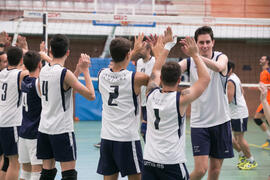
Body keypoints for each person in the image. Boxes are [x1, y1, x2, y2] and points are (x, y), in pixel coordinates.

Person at [142, 27, 210, 180]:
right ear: (179, 80)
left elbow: (156, 70)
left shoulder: (150, 93)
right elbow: (205, 79)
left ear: (161, 79)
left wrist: (167, 47)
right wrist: (195, 55)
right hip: (171, 162)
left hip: (149, 161)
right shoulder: (181, 99)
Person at [37, 34, 95, 180]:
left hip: (44, 129)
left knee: (47, 173)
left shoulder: (43, 71)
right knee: (69, 175)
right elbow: (91, 95)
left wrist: (77, 70)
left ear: (50, 51)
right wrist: (86, 70)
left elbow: (64, 85)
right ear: (68, 52)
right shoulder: (64, 73)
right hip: (61, 130)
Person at [179, 26, 233, 180]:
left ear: (213, 42)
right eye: (201, 42)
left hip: (221, 121)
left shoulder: (221, 57)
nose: (204, 45)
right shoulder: (189, 62)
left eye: (207, 42)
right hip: (199, 123)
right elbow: (173, 71)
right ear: (196, 44)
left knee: (215, 170)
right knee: (201, 169)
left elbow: (219, 67)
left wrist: (195, 55)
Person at [97, 34, 148, 180]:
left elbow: (119, 66)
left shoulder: (101, 74)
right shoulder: (136, 78)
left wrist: (133, 52)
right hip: (127, 139)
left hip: (106, 138)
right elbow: (154, 80)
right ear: (128, 54)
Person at [0, 46, 28, 180]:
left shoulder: (1, 73)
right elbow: (33, 69)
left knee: (4, 161)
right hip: (11, 123)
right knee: (14, 163)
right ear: (21, 59)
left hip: (1, 120)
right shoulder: (20, 74)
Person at [227, 61, 258, 170]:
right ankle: (242, 155)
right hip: (233, 112)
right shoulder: (234, 76)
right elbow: (242, 92)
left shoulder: (230, 81)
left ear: (230, 69)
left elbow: (229, 99)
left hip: (238, 113)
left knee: (239, 138)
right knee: (228, 137)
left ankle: (251, 160)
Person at [18, 51, 44, 180]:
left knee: (25, 172)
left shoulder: (24, 81)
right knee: (36, 171)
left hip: (23, 132)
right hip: (35, 132)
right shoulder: (38, 84)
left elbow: (26, 67)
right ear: (40, 64)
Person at [136, 43, 155, 142]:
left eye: (142, 49)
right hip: (143, 101)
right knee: (147, 130)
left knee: (144, 129)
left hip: (152, 101)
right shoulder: (139, 62)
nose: (140, 51)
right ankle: (151, 151)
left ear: (149, 50)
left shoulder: (154, 61)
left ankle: (150, 151)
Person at [254, 56, 270, 148]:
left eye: (262, 59)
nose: (260, 60)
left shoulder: (266, 72)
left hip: (268, 100)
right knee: (258, 118)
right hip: (266, 99)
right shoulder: (263, 72)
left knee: (257, 118)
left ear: (267, 61)